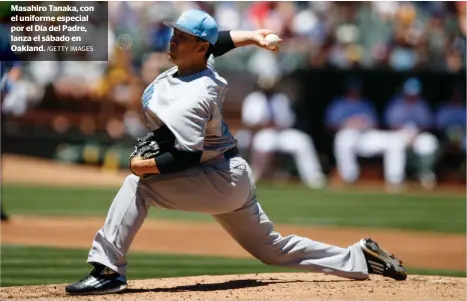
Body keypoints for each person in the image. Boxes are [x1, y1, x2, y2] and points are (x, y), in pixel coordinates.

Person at [65, 10, 406, 296]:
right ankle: (359, 258)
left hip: (216, 177)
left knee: (138, 186)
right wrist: (254, 35)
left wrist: (143, 165)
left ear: (199, 47)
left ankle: (108, 271)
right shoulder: (197, 62)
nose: (173, 40)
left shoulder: (195, 95)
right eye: (174, 33)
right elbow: (221, 40)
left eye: (182, 37)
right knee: (272, 250)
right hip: (229, 173)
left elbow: (186, 157)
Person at [237, 75, 325, 189]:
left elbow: (288, 120)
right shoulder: (253, 99)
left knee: (303, 141)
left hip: (280, 133)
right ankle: (255, 176)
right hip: (261, 133)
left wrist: (277, 125)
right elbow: (248, 123)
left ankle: (313, 177)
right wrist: (265, 124)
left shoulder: (281, 99)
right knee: (263, 142)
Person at [383, 78, 439, 189]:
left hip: (418, 134)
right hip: (399, 133)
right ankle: (395, 179)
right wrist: (405, 132)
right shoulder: (396, 104)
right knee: (394, 144)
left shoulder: (422, 105)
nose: (411, 95)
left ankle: (425, 175)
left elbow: (427, 124)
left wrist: (415, 133)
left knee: (429, 142)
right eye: (409, 93)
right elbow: (390, 123)